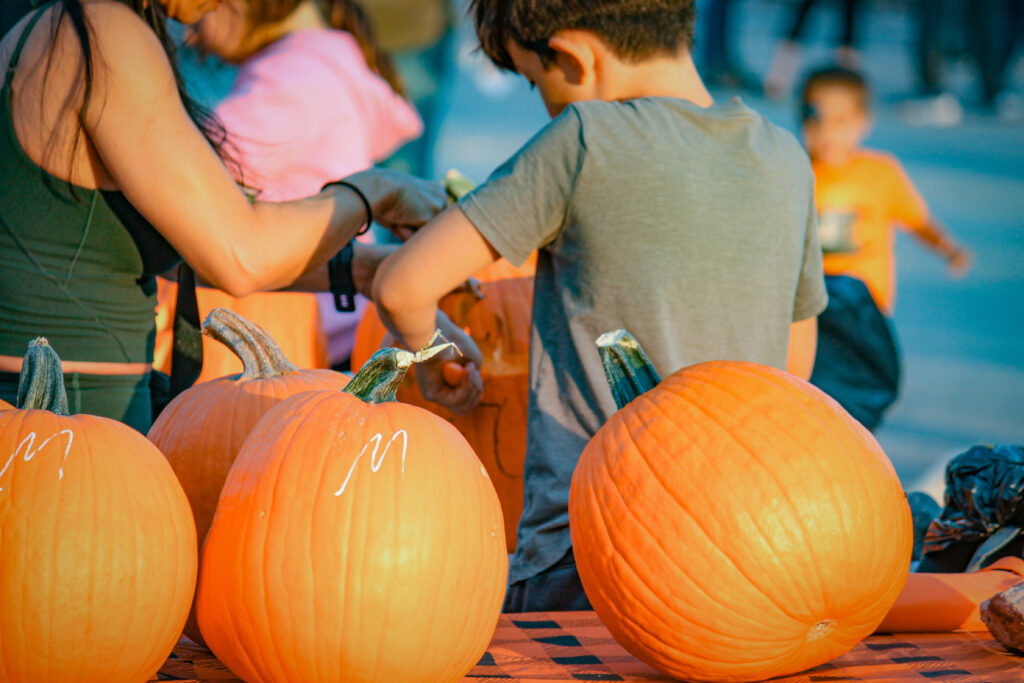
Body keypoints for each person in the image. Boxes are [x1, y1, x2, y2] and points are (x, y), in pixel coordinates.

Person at [370, 0, 828, 612]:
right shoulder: (784, 157)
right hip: (744, 553)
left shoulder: (584, 140)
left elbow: (402, 286)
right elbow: (793, 371)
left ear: (577, 56)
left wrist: (432, 353)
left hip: (590, 551)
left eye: (538, 82)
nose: (545, 104)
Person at [0, 0, 447, 432]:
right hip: (64, 440)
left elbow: (189, 234)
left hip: (66, 431)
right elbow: (240, 252)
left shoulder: (65, 24)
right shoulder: (101, 33)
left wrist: (367, 271)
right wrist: (373, 191)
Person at [153, 0, 423, 379]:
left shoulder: (295, 78)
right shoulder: (322, 64)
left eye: (204, 6)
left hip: (296, 324)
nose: (189, 33)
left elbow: (189, 173)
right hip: (333, 317)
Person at [799, 66, 971, 428]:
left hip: (867, 309)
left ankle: (859, 445)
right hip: (816, 310)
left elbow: (915, 219)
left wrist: (947, 248)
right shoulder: (795, 172)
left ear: (864, 122)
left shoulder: (881, 174)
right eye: (817, 120)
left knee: (864, 388)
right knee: (817, 392)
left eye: (842, 120)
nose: (828, 132)